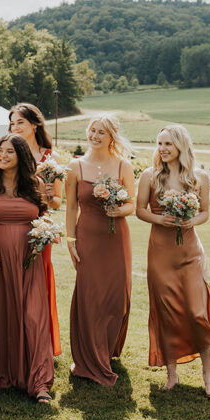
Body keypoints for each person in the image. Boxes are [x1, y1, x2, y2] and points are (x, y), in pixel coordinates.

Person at [136, 125, 210, 397]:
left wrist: (191, 220)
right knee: (167, 310)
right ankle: (171, 373)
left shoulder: (199, 177)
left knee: (198, 311)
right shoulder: (149, 176)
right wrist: (158, 218)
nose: (162, 149)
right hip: (160, 252)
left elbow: (206, 213)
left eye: (168, 144)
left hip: (190, 252)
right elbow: (140, 210)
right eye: (160, 143)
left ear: (181, 147)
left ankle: (208, 373)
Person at [0, 133, 54, 402]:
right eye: (0, 151)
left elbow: (44, 218)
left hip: (28, 261)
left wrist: (43, 237)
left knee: (33, 315)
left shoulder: (36, 185)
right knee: (2, 315)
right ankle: (8, 370)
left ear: (21, 155)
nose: (3, 156)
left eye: (10, 151)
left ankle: (40, 381)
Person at [65, 114, 135, 386]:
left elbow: (131, 203)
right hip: (88, 238)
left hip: (116, 239)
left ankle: (105, 351)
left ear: (111, 137)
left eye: (101, 133)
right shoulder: (75, 166)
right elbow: (71, 207)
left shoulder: (123, 166)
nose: (94, 136)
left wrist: (120, 209)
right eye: (92, 130)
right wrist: (71, 242)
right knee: (90, 296)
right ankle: (87, 357)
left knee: (116, 296)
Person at [9, 102, 62, 357]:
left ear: (34, 124)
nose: (15, 127)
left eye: (20, 122)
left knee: (37, 285)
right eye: (12, 123)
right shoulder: (8, 153)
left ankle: (39, 341)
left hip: (39, 229)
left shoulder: (50, 158)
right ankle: (15, 339)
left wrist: (51, 195)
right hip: (10, 226)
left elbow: (57, 202)